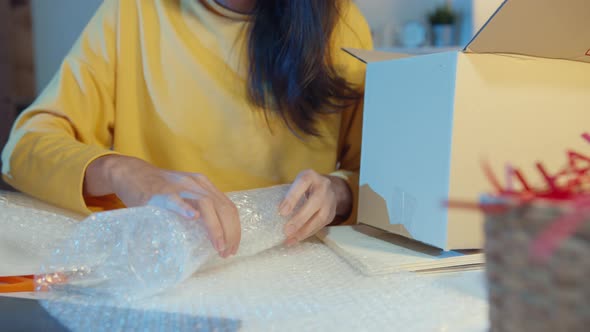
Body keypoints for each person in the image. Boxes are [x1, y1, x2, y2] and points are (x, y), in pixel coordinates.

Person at [1, 0, 372, 258]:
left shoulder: (341, 24)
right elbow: (23, 147)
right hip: (162, 269)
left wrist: (338, 192)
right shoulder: (134, 10)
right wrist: (125, 172)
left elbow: (377, 181)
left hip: (300, 274)